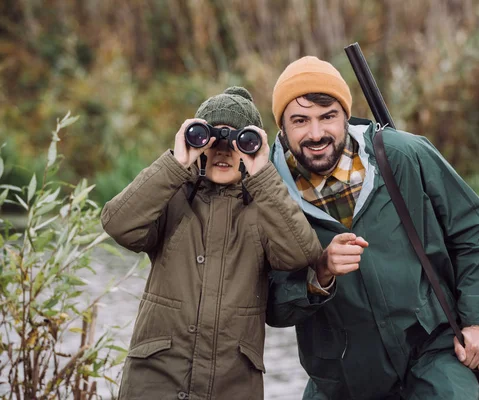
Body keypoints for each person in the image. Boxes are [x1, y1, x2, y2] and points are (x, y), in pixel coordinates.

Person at [266, 56, 479, 399]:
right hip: (342, 379)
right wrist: (320, 273)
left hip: (434, 352)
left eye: (328, 117)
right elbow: (270, 305)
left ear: (345, 117)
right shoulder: (268, 193)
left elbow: (477, 233)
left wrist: (477, 324)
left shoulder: (403, 154)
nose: (316, 133)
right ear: (282, 127)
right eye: (300, 120)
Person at [101, 86, 323, 400]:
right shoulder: (172, 196)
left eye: (238, 143)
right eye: (211, 140)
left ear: (252, 147)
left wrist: (262, 171)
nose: (223, 151)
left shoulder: (263, 207)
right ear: (196, 140)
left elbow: (301, 254)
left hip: (230, 386)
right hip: (156, 381)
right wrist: (176, 164)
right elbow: (117, 224)